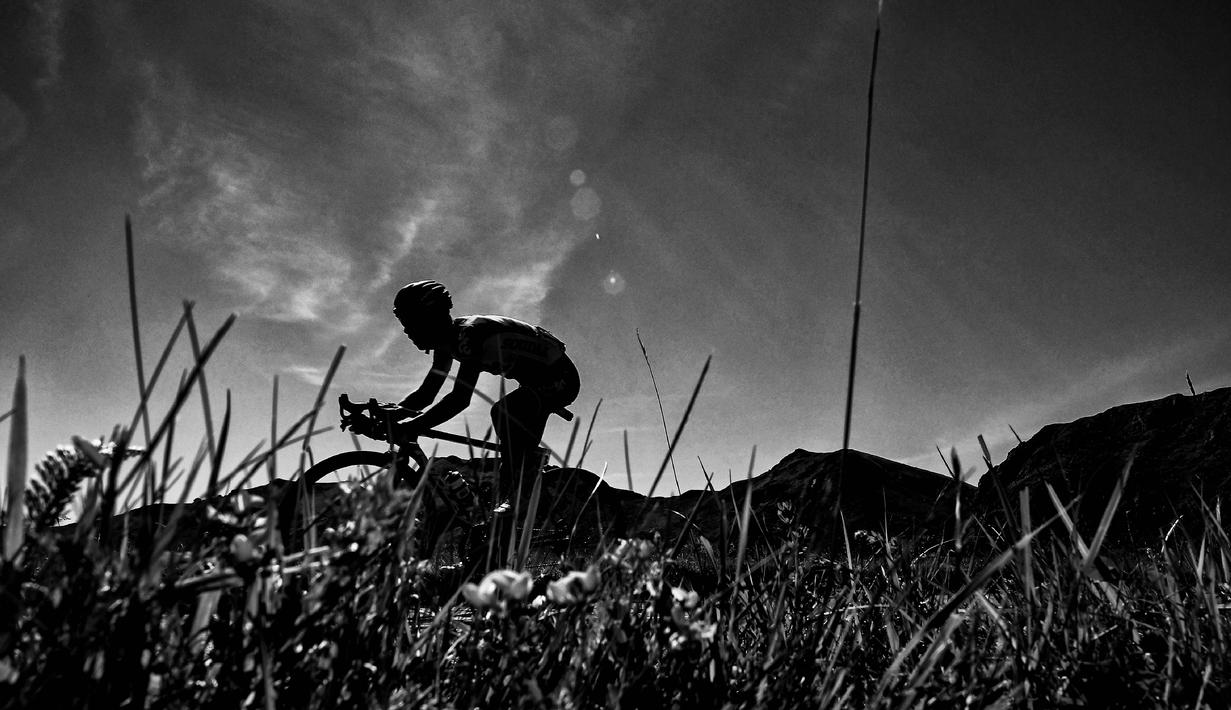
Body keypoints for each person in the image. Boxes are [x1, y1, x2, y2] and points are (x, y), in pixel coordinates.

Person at [392, 280, 580, 510]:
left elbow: (459, 399)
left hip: (561, 378)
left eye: (409, 322)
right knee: (510, 452)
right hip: (537, 381)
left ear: (430, 318)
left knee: (504, 411)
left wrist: (414, 426)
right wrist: (392, 412)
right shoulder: (448, 341)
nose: (406, 331)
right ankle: (516, 495)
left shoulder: (469, 336)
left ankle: (524, 490)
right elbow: (426, 394)